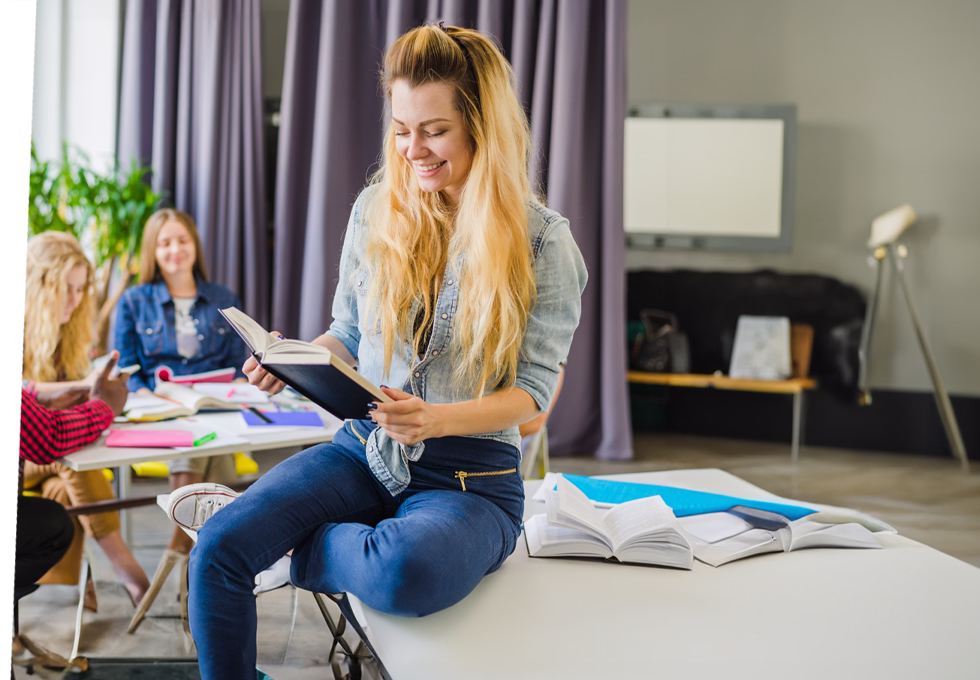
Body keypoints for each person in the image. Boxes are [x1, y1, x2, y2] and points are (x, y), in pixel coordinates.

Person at [173, 23, 587, 678]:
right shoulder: (375, 210)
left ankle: (291, 549)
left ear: (483, 127)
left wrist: (436, 419)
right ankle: (268, 543)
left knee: (404, 572)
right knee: (218, 549)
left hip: (471, 478)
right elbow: (350, 332)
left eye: (433, 130)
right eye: (400, 128)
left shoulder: (543, 243)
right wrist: (299, 358)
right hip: (366, 450)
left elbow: (531, 397)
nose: (411, 148)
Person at [23, 232, 150, 607]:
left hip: (41, 453)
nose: (75, 300)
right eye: (66, 289)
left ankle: (79, 583)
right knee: (70, 459)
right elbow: (41, 426)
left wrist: (81, 392)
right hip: (30, 450)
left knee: (62, 492)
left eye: (81, 289)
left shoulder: (70, 332)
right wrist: (93, 398)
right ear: (40, 285)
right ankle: (128, 570)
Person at [113, 208, 249, 554]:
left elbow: (236, 367)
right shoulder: (134, 301)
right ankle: (201, 557)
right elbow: (127, 371)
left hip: (217, 409)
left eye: (182, 240)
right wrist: (156, 401)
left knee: (205, 442)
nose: (175, 249)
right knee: (204, 451)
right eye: (165, 243)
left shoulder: (223, 299)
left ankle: (182, 556)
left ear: (195, 245)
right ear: (153, 251)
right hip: (162, 412)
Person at [17, 354, 131, 591]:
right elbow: (49, 438)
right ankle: (125, 567)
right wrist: (104, 407)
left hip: (34, 446)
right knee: (53, 525)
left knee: (58, 488)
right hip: (36, 451)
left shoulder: (77, 335)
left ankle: (112, 573)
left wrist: (36, 400)